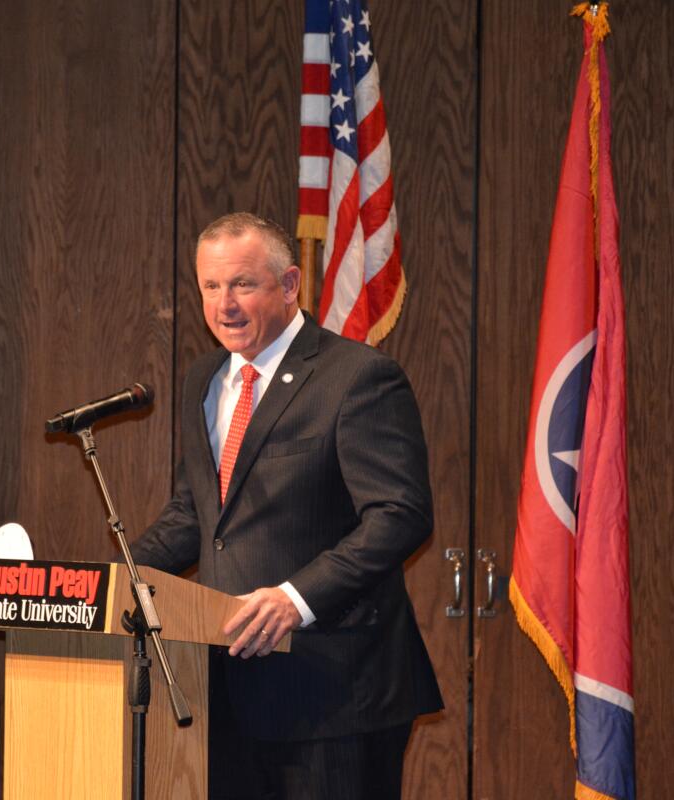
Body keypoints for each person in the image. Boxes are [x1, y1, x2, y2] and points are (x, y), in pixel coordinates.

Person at [130, 212, 441, 799]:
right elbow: (197, 514)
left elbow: (399, 514)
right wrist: (101, 584)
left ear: (290, 283)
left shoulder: (357, 377)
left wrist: (296, 599)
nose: (225, 305)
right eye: (211, 287)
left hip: (335, 692)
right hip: (228, 692)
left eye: (243, 284)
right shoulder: (205, 379)